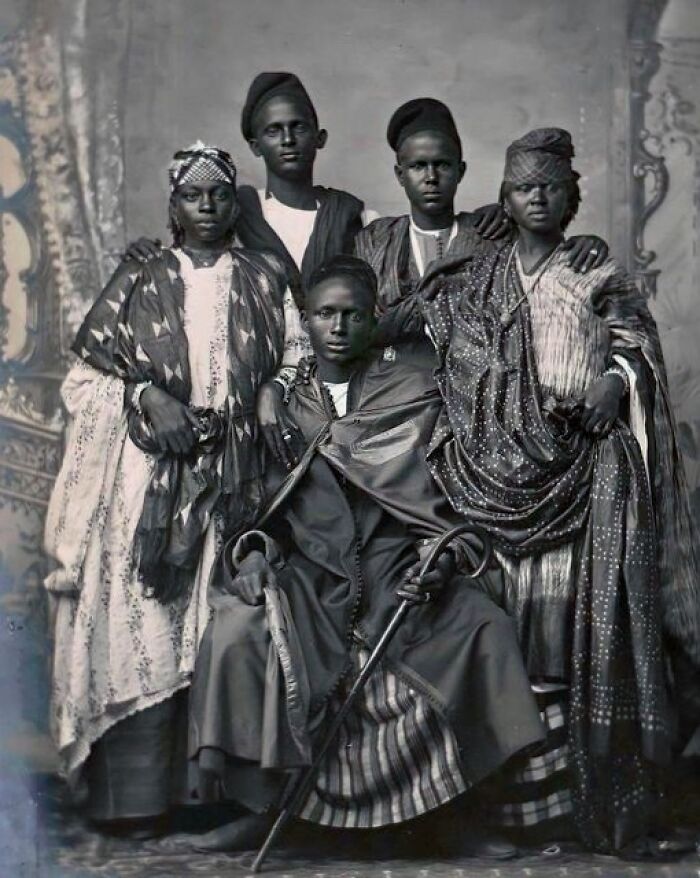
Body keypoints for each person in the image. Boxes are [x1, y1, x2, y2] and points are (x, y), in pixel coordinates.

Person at [184, 255, 545, 855]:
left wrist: (441, 559)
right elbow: (266, 506)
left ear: (374, 317)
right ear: (307, 319)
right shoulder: (286, 406)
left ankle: (460, 816)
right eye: (326, 313)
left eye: (353, 314)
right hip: (311, 574)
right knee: (234, 631)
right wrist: (254, 556)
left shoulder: (413, 388)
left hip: (397, 567)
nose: (339, 326)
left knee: (485, 626)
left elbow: (448, 496)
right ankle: (261, 807)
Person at [420, 128, 700, 854]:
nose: (538, 197)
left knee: (585, 637)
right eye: (522, 187)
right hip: (499, 482)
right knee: (515, 643)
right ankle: (516, 811)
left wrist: (614, 384)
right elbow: (450, 350)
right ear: (504, 200)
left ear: (571, 197)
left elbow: (636, 342)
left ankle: (593, 805)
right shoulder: (480, 279)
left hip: (587, 477)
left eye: (550, 185)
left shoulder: (594, 267)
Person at [43, 144, 287, 837]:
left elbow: (296, 360)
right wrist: (149, 396)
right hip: (146, 483)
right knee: (143, 627)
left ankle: (210, 799)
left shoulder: (264, 280)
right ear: (173, 205)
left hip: (235, 481)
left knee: (216, 629)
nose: (206, 207)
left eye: (218, 195)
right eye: (192, 195)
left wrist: (266, 395)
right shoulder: (140, 276)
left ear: (232, 203)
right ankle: (137, 802)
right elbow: (85, 378)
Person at [355, 98, 609, 354]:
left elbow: (543, 276)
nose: (431, 178)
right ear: (401, 174)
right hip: (394, 386)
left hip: (484, 386)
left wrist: (586, 245)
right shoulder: (376, 242)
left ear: (460, 171)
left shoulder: (491, 234)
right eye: (418, 166)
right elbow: (359, 325)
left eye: (442, 165)